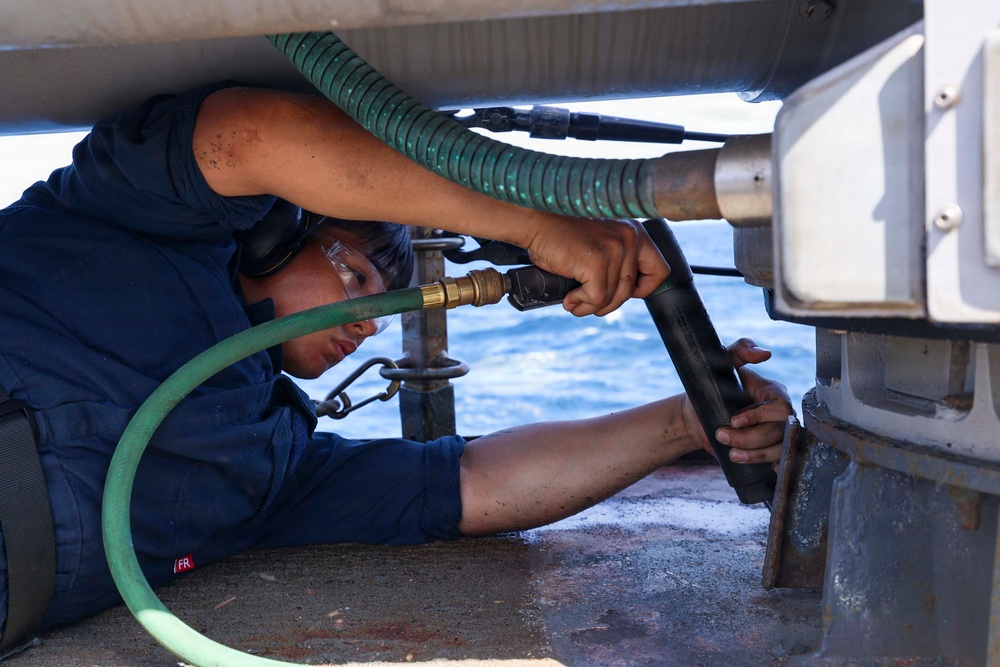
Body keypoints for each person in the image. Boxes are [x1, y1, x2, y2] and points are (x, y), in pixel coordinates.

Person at [0, 82, 792, 639]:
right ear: (276, 231)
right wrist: (531, 221)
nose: (370, 319)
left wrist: (685, 422)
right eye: (354, 272)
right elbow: (249, 135)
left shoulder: (276, 461)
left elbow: (471, 482)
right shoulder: (120, 217)